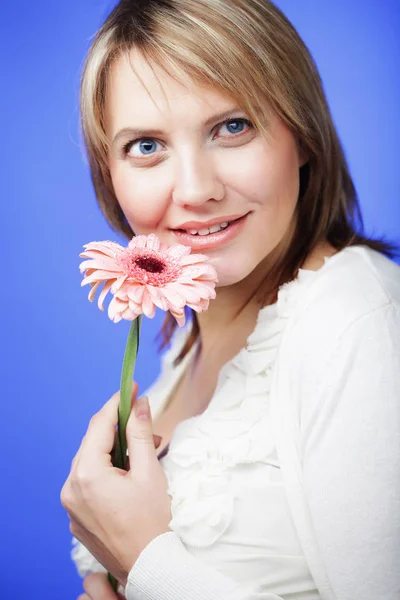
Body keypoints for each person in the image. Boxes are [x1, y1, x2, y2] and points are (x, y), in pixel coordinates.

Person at [60, 1, 400, 599]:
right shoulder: (188, 343)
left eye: (232, 127)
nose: (195, 190)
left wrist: (143, 561)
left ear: (301, 134)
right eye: (146, 146)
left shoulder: (355, 321)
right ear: (107, 173)